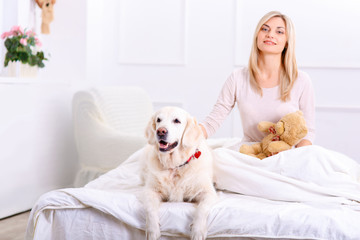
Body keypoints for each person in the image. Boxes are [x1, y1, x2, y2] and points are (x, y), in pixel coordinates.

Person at [200, 11, 315, 148]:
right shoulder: (238, 78)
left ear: (287, 42)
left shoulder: (301, 80)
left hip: (286, 155)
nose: (270, 34)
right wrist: (184, 137)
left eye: (279, 32)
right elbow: (213, 121)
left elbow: (307, 132)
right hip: (250, 154)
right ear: (257, 36)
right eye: (265, 29)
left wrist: (295, 160)